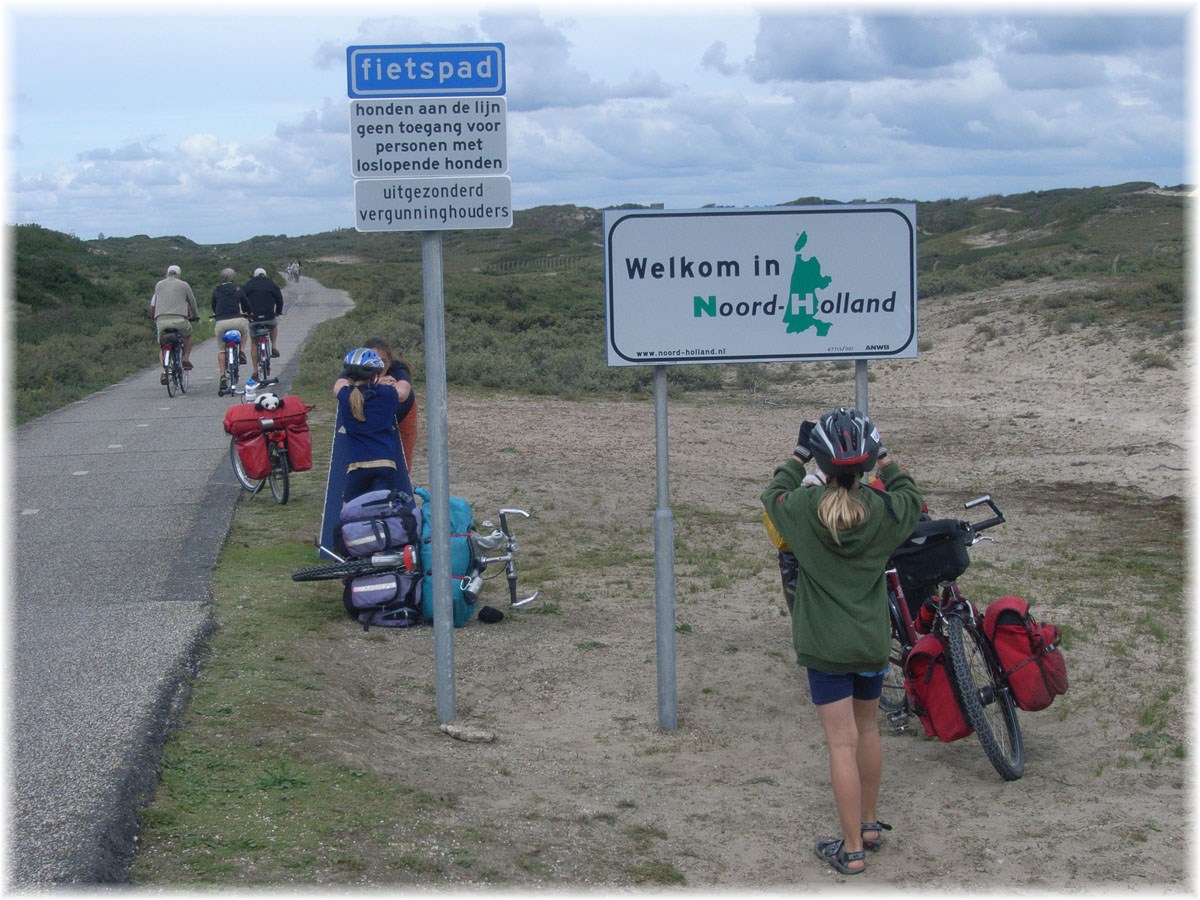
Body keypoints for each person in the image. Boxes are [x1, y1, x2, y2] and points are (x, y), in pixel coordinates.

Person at [761, 407, 923, 876]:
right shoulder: (884, 512)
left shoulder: (802, 511)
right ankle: (868, 826)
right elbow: (909, 495)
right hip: (871, 641)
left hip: (825, 646)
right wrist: (886, 458)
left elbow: (773, 493)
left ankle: (851, 849)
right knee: (867, 731)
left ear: (823, 464)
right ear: (866, 463)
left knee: (840, 744)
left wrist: (796, 454)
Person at [333, 348, 412, 504]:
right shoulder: (388, 394)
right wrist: (396, 374)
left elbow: (339, 385)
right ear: (376, 375)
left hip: (357, 465)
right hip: (385, 463)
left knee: (349, 513)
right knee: (383, 511)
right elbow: (403, 391)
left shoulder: (344, 396)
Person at [363, 337, 418, 475]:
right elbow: (339, 388)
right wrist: (376, 382)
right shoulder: (354, 367)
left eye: (383, 361)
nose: (379, 365)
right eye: (374, 360)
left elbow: (402, 393)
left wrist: (367, 387)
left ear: (390, 361)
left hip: (403, 413)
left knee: (402, 461)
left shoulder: (398, 368)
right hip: (372, 418)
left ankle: (402, 489)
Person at [148, 264, 199, 383]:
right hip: (179, 320)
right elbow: (192, 301)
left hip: (161, 321)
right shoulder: (184, 285)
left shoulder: (159, 285)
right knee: (189, 335)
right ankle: (185, 358)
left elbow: (154, 304)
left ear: (167, 273)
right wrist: (195, 315)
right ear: (179, 275)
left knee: (162, 345)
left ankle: (164, 371)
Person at [211, 268, 251, 390]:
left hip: (222, 322)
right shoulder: (238, 289)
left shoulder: (216, 290)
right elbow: (246, 305)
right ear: (233, 278)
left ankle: (223, 375)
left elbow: (214, 306)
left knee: (222, 350)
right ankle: (242, 351)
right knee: (244, 331)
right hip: (237, 320)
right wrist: (247, 312)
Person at [242, 267, 284, 360]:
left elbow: (243, 299)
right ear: (265, 275)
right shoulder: (271, 284)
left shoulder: (248, 285)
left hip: (253, 317)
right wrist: (278, 311)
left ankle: (255, 371)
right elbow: (279, 299)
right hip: (269, 315)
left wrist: (246, 312)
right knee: (273, 326)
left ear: (254, 275)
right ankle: (274, 347)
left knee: (254, 342)